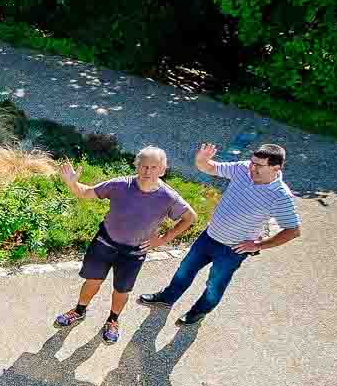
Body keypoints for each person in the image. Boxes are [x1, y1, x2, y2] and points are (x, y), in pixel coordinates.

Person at [140, 142, 301, 326]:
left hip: (232, 250)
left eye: (258, 165)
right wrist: (202, 160)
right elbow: (210, 167)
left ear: (275, 168)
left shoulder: (280, 196)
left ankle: (198, 312)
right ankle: (167, 297)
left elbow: (293, 230)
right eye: (252, 162)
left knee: (214, 285)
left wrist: (258, 245)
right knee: (185, 270)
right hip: (209, 236)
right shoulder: (242, 169)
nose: (251, 167)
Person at [53, 148, 197, 343]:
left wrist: (163, 239)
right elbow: (86, 193)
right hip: (104, 243)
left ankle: (113, 320)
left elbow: (190, 217)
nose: (148, 171)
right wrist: (72, 183)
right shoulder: (120, 184)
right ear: (137, 167)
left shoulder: (169, 197)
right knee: (92, 281)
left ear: (162, 170)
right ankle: (79, 310)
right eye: (144, 166)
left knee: (121, 291)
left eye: (154, 167)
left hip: (134, 252)